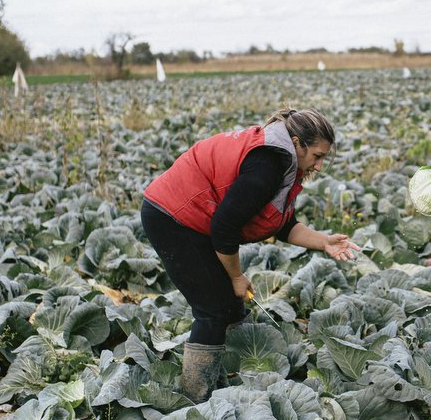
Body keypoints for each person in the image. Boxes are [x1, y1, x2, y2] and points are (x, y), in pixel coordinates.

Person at [141, 108, 359, 403]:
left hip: (196, 221)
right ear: (297, 142)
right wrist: (236, 276)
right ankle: (197, 400)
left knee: (230, 308)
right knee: (213, 310)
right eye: (317, 156)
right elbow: (224, 228)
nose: (319, 165)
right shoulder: (267, 164)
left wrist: (324, 241)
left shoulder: (280, 159)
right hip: (172, 218)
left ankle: (227, 381)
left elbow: (283, 225)